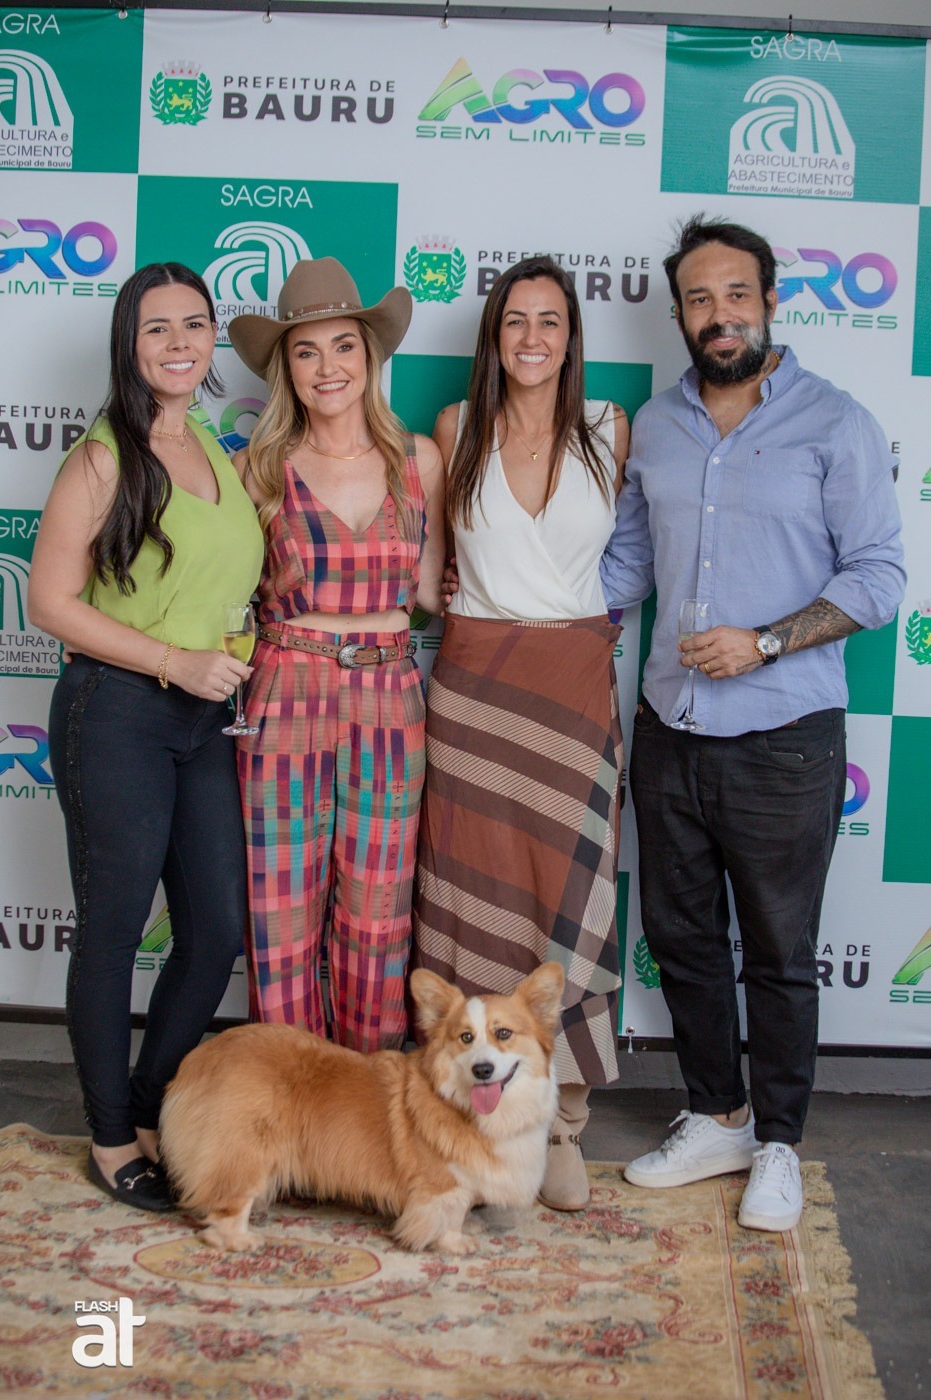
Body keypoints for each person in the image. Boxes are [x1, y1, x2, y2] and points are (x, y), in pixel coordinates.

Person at [600, 216, 905, 1231]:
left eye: (736, 294)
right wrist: (508, 602)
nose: (719, 313)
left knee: (778, 949)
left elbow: (878, 578)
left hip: (784, 735)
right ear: (679, 313)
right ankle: (716, 1114)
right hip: (670, 725)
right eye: (699, 298)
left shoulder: (836, 421)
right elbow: (624, 568)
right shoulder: (657, 425)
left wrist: (766, 642)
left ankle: (778, 1141)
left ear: (770, 301)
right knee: (682, 937)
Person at [28, 263, 265, 1212]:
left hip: (202, 718)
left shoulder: (208, 443)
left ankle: (146, 1099)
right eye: (156, 327)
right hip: (116, 712)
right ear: (128, 342)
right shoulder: (100, 459)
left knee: (215, 931)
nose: (178, 343)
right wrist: (173, 660)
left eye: (194, 325)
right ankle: (107, 1134)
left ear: (212, 339)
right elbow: (49, 603)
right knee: (115, 929)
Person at [413, 254, 629, 1211]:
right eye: (515, 321)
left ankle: (562, 1125)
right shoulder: (454, 429)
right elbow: (430, 572)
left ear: (571, 336)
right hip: (473, 691)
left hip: (572, 692)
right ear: (492, 337)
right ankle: (465, 1125)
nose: (532, 337)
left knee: (568, 902)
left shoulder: (609, 428)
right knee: (473, 901)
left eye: (549, 320)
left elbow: (634, 556)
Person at [227, 258, 445, 1051]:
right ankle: (291, 1099)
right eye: (306, 351)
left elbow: (433, 589)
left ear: (369, 354)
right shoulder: (256, 468)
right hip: (285, 685)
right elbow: (224, 594)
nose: (328, 367)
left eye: (343, 345)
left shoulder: (419, 460)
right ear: (285, 367)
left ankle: (365, 1097)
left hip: (388, 690)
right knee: (280, 914)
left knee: (378, 913)